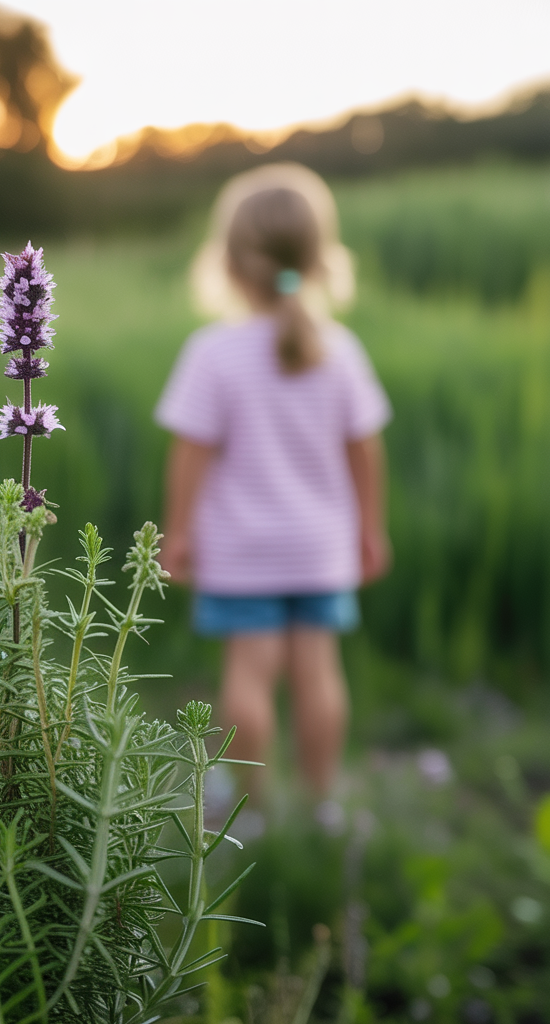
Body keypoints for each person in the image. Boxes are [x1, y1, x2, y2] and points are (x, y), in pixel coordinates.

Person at [155, 163, 391, 814]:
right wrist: (371, 529)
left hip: (243, 551)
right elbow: (365, 450)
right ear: (320, 258)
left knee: (248, 676)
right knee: (318, 673)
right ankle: (323, 804)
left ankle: (252, 814)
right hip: (320, 548)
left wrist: (178, 532)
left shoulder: (213, 352)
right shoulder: (340, 349)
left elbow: (190, 455)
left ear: (229, 261)